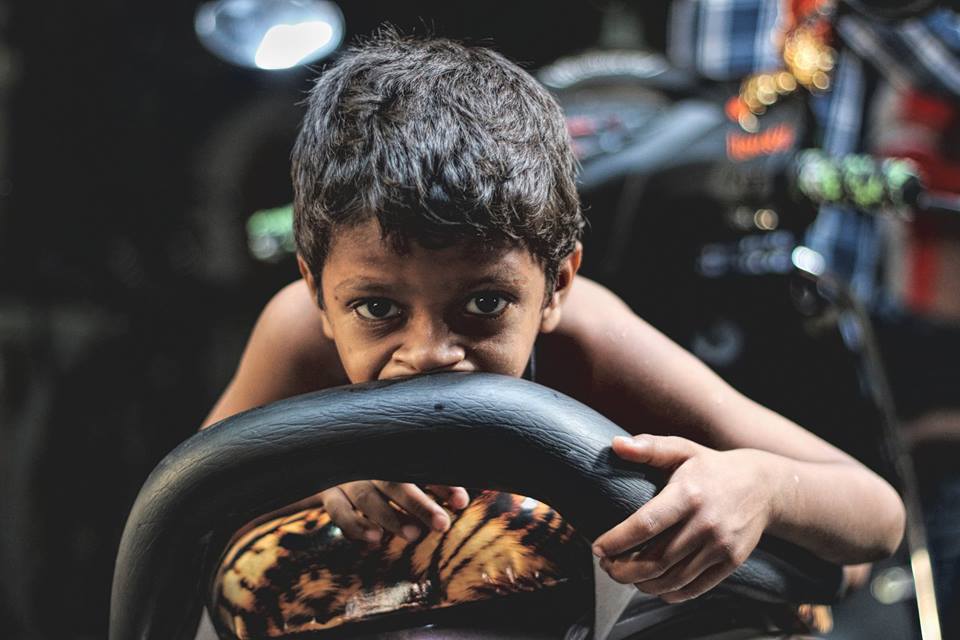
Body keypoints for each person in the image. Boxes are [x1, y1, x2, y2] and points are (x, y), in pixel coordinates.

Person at [202, 32, 904, 606]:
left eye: (484, 304)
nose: (431, 352)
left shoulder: (589, 343)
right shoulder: (298, 335)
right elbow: (185, 513)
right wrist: (315, 483)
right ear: (316, 291)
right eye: (378, 309)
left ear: (557, 285)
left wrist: (761, 487)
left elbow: (877, 518)